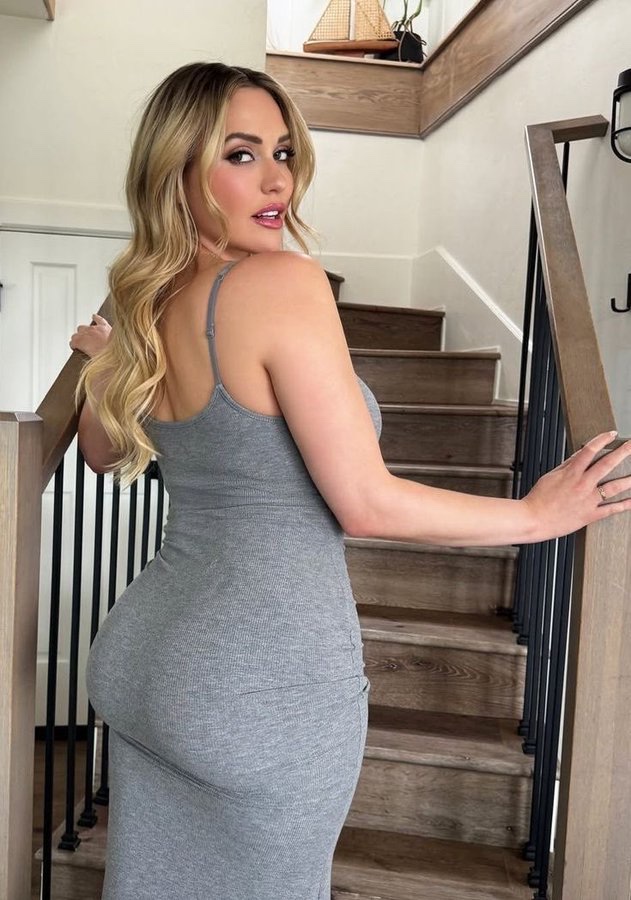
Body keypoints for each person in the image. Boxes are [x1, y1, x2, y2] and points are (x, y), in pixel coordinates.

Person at [70, 62, 631, 900]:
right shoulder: (282, 283)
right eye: (240, 154)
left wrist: (100, 365)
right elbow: (363, 503)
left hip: (145, 661)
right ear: (175, 169)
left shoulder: (141, 301)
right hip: (259, 681)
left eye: (283, 152)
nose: (277, 180)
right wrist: (534, 514)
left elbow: (100, 453)